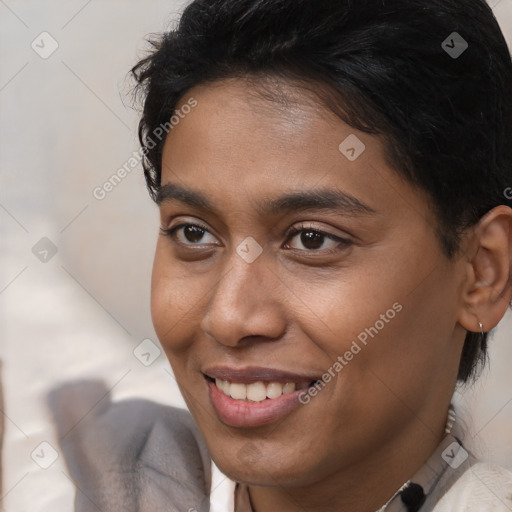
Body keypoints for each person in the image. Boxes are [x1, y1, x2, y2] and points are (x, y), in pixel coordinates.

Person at [50, 0, 512, 510]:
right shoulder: (101, 481)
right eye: (194, 233)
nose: (229, 318)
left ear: (482, 272)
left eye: (312, 239)